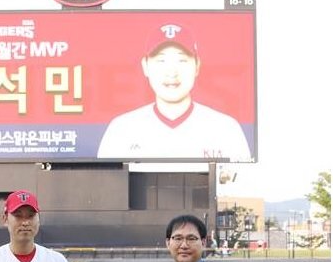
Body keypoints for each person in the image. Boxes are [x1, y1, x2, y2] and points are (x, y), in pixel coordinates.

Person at [97, 24, 252, 162]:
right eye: (161, 61)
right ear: (145, 66)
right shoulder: (121, 130)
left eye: (181, 60)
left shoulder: (226, 129)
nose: (171, 72)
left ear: (197, 66)